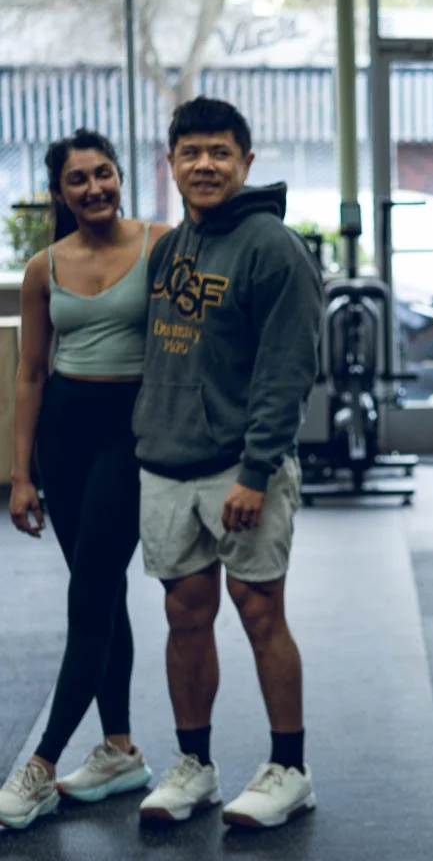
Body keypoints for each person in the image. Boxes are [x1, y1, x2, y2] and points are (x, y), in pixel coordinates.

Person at [131, 96, 325, 828]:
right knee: (184, 614)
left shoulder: (273, 248)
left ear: (246, 162)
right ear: (172, 162)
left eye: (220, 153)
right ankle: (195, 764)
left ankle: (289, 767)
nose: (205, 165)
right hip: (166, 463)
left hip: (240, 468)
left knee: (259, 611)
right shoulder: (171, 247)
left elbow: (287, 370)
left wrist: (255, 470)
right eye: (191, 152)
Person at [0, 131, 171, 831]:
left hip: (127, 437)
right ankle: (121, 749)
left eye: (104, 174)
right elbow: (31, 373)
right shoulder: (44, 266)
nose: (94, 188)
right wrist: (20, 474)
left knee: (90, 594)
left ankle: (39, 764)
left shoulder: (160, 245)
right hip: (64, 438)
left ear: (121, 177)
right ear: (60, 192)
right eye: (79, 180)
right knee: (100, 594)